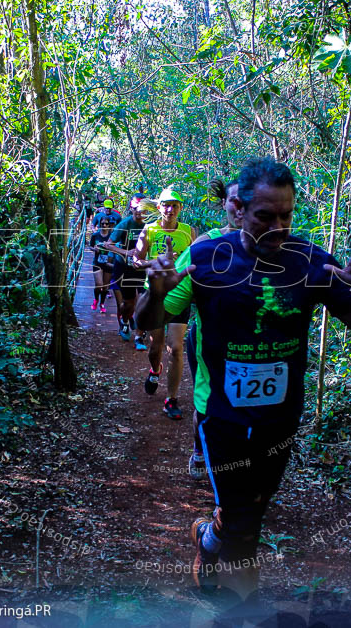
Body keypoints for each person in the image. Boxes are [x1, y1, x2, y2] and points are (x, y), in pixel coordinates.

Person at [135, 157, 351, 599]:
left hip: (280, 418)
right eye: (266, 216)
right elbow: (145, 321)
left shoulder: (309, 261)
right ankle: (239, 607)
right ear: (238, 211)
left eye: (286, 215)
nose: (278, 226)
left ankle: (208, 539)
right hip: (222, 414)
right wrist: (155, 292)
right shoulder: (206, 258)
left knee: (252, 509)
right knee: (245, 523)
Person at [187, 178, 241, 479]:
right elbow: (184, 286)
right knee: (207, 401)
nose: (239, 206)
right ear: (224, 203)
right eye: (234, 199)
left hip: (249, 341)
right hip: (208, 337)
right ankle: (199, 448)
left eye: (246, 200)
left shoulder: (269, 245)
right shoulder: (206, 242)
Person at [132, 188, 196, 420]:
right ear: (159, 207)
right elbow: (136, 261)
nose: (170, 209)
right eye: (166, 205)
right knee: (156, 346)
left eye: (175, 205)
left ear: (180, 209)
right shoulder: (149, 230)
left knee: (176, 348)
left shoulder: (189, 232)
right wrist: (156, 263)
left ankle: (171, 399)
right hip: (155, 297)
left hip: (180, 294)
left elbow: (197, 260)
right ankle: (155, 370)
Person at [104, 194, 149, 349]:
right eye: (136, 208)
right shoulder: (125, 224)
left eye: (142, 209)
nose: (139, 212)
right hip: (124, 267)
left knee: (144, 300)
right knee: (128, 302)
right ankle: (124, 320)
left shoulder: (150, 225)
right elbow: (108, 244)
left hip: (142, 267)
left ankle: (139, 336)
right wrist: (125, 252)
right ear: (131, 208)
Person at [88, 218, 116, 313]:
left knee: (105, 286)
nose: (104, 225)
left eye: (106, 224)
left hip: (108, 262)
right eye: (102, 224)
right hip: (97, 262)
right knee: (98, 284)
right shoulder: (95, 235)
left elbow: (116, 246)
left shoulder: (112, 236)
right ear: (100, 224)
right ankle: (96, 300)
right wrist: (94, 249)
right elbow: (90, 246)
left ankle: (102, 304)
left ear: (109, 225)